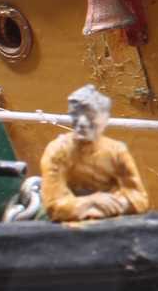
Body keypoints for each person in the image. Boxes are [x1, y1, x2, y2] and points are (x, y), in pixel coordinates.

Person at [39, 85, 150, 223]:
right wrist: (92, 202)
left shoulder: (116, 151)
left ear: (104, 120)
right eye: (75, 115)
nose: (82, 123)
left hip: (113, 221)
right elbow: (54, 206)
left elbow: (139, 199)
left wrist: (115, 204)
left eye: (90, 116)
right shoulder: (57, 151)